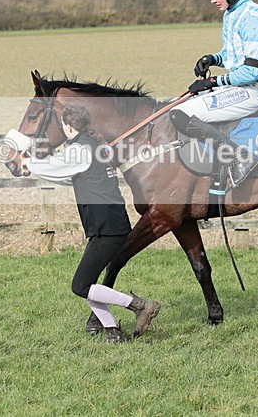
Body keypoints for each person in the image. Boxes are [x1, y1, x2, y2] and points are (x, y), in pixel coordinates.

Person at [21, 102, 160, 343]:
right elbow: (71, 176)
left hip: (107, 227)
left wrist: (29, 163)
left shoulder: (80, 149)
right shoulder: (93, 146)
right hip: (109, 225)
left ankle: (140, 306)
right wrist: (34, 167)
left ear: (67, 125)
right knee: (89, 282)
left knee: (81, 285)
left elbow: (57, 167)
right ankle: (113, 333)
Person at [170, 0, 258, 187]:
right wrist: (212, 59)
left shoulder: (253, 18)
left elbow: (249, 72)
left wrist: (212, 81)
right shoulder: (233, 12)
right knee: (171, 105)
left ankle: (240, 157)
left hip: (250, 90)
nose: (212, 0)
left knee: (179, 114)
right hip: (236, 86)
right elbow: (232, 54)